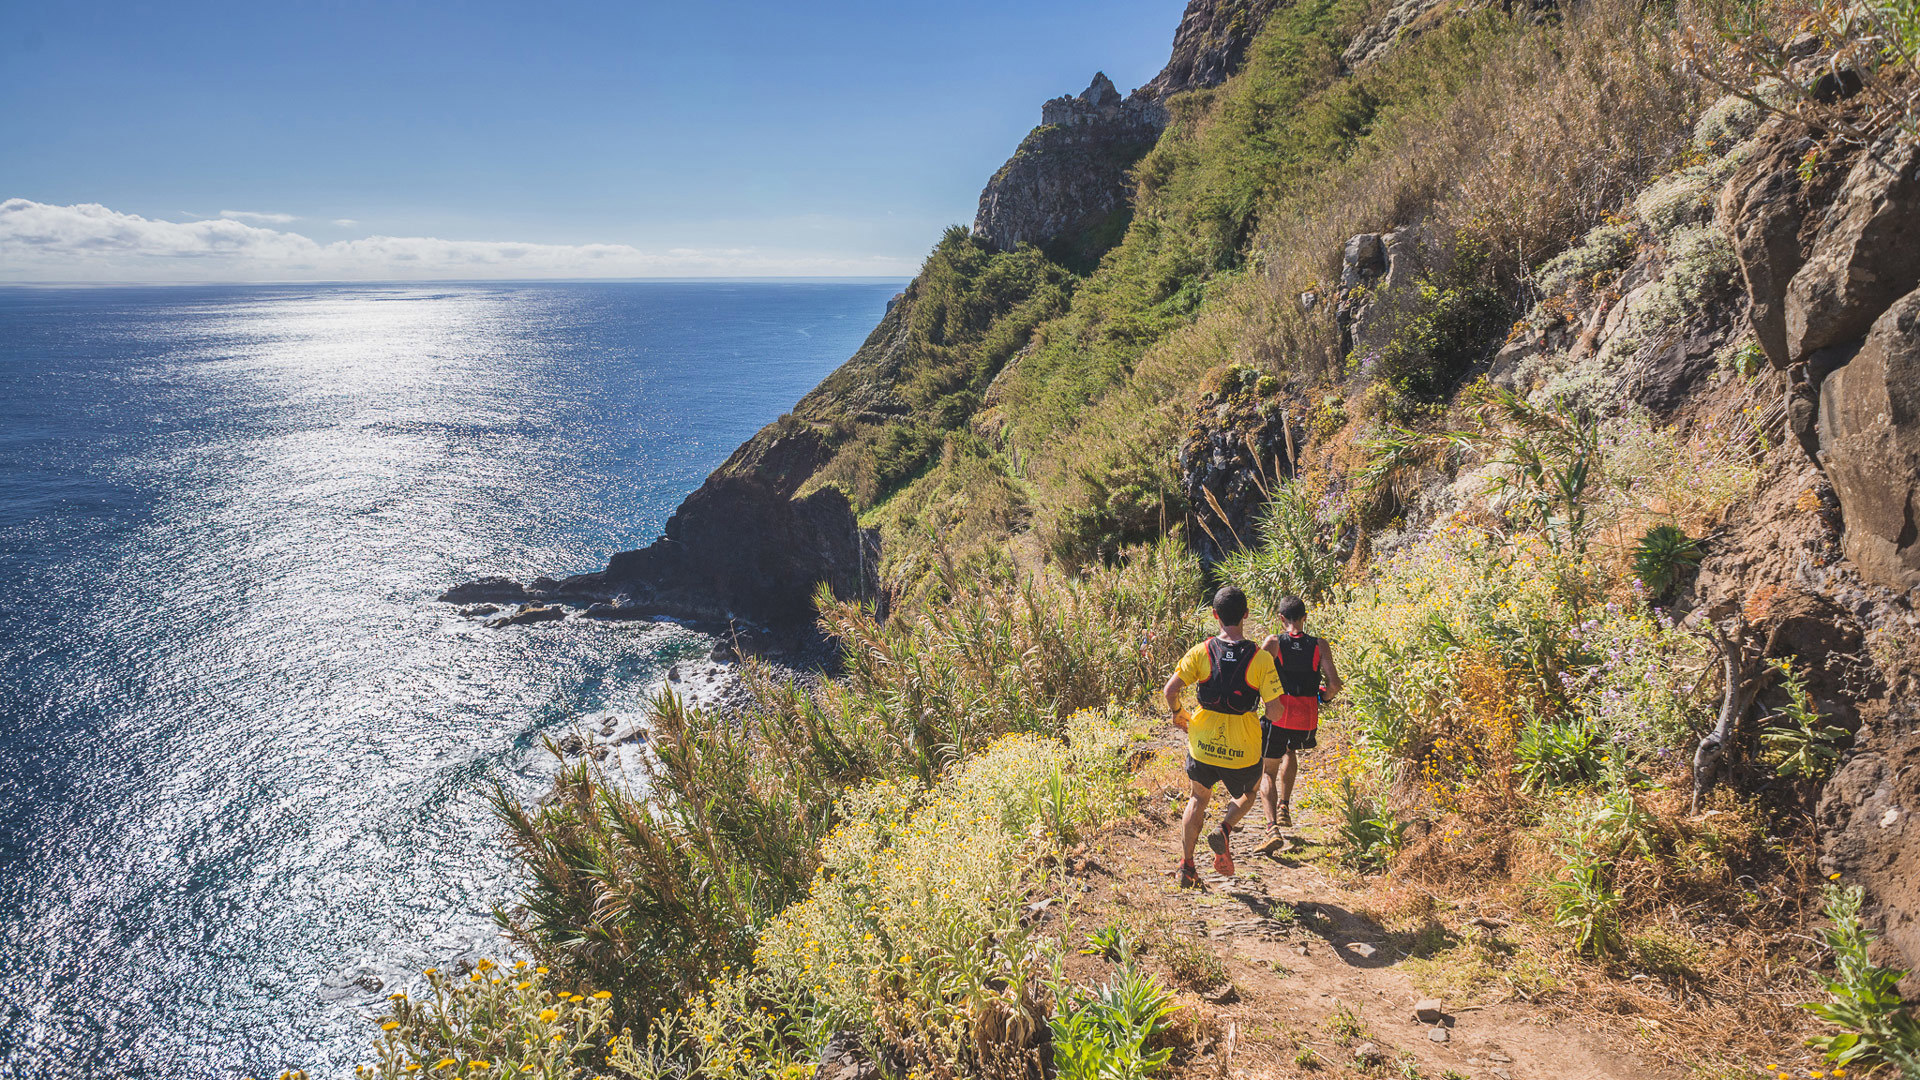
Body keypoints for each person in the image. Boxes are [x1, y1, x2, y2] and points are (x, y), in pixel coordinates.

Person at [1162, 586, 1287, 887]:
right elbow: (1276, 712)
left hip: (1202, 745)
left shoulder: (1201, 652)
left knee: (1197, 797)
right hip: (1243, 748)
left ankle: (1186, 866)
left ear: (1215, 615)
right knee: (1250, 792)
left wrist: (1178, 713)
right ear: (1245, 615)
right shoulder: (1260, 659)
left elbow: (1170, 690)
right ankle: (1225, 828)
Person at [1257, 594, 1342, 835]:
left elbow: (1254, 672)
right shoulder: (1319, 645)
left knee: (1268, 771)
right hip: (1306, 719)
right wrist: (1323, 697)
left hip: (1278, 714)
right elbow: (1334, 684)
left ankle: (1272, 826)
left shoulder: (1274, 642)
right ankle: (1284, 804)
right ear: (1305, 618)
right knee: (1290, 750)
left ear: (1281, 618)